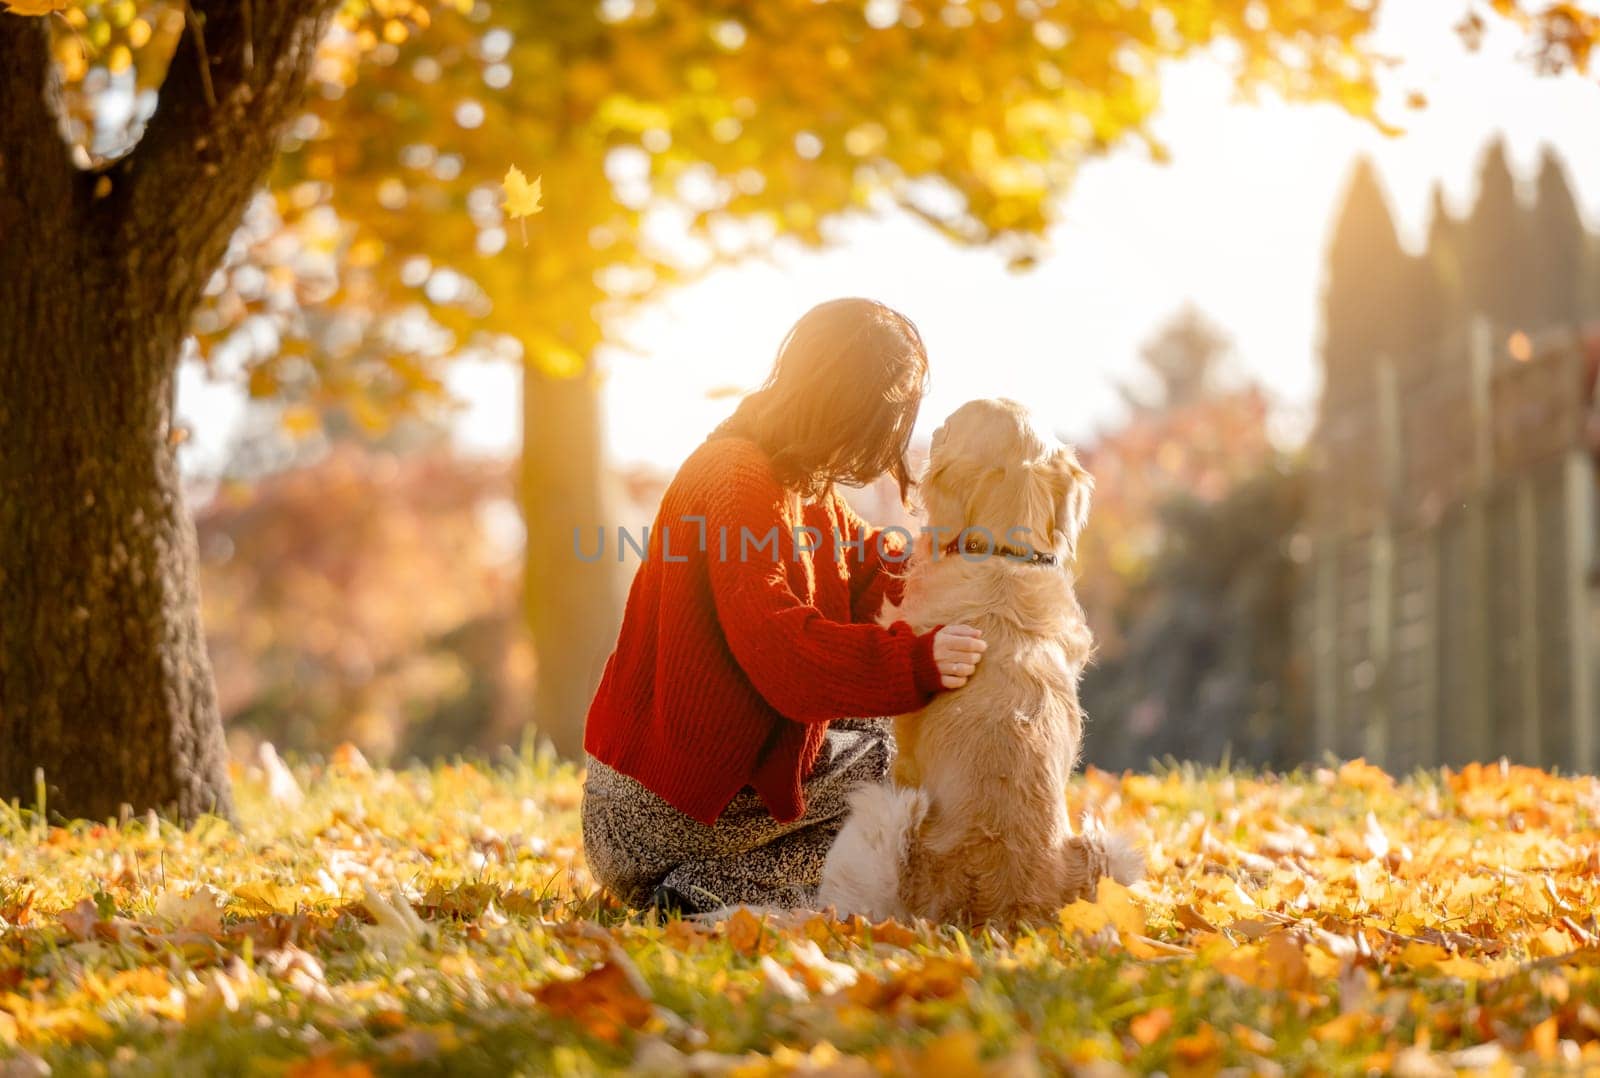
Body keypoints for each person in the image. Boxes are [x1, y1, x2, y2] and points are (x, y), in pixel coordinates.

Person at [581, 298, 987, 912]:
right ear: (852, 404)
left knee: (877, 781)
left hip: (669, 808)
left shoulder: (794, 478)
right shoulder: (738, 480)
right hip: (647, 816)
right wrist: (919, 664)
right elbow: (786, 656)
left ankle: (705, 896)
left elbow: (871, 566)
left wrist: (964, 556)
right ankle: (705, 891)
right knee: (902, 754)